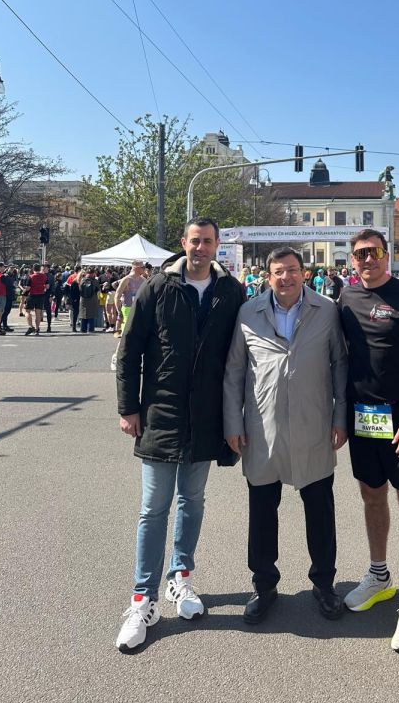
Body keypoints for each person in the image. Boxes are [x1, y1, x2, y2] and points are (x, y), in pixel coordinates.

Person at [115, 218, 245, 652]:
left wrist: (237, 417)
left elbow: (239, 356)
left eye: (208, 241)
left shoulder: (231, 291)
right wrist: (128, 407)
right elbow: (130, 350)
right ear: (183, 243)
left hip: (206, 417)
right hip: (161, 412)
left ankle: (180, 577)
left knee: (193, 501)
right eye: (195, 241)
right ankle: (142, 598)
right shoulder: (158, 287)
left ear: (217, 244)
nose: (201, 248)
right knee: (153, 508)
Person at [223, 247, 348, 624]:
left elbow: (340, 365)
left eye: (292, 270)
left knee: (320, 510)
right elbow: (234, 371)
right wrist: (233, 423)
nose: (286, 277)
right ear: (267, 276)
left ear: (304, 273)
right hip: (263, 428)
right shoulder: (249, 312)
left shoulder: (326, 310)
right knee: (262, 511)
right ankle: (264, 586)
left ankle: (324, 584)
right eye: (278, 271)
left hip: (314, 424)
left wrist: (340, 417)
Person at [338, 229, 399, 654]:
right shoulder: (345, 299)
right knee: (371, 496)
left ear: (386, 254)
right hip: (363, 420)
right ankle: (379, 576)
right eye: (360, 254)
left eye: (374, 252)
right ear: (352, 261)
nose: (368, 259)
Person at [24, 263, 48, 336]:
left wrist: (24, 291)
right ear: (40, 269)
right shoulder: (44, 276)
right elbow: (47, 286)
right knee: (38, 313)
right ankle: (37, 329)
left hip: (32, 295)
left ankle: (31, 326)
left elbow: (28, 288)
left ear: (33, 269)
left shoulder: (31, 276)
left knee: (27, 311)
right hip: (41, 295)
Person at [79, 268, 100, 333]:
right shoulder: (95, 281)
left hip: (83, 300)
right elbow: (98, 290)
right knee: (91, 314)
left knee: (84, 314)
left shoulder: (82, 280)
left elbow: (80, 289)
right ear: (93, 273)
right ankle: (90, 329)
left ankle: (83, 329)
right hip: (92, 299)